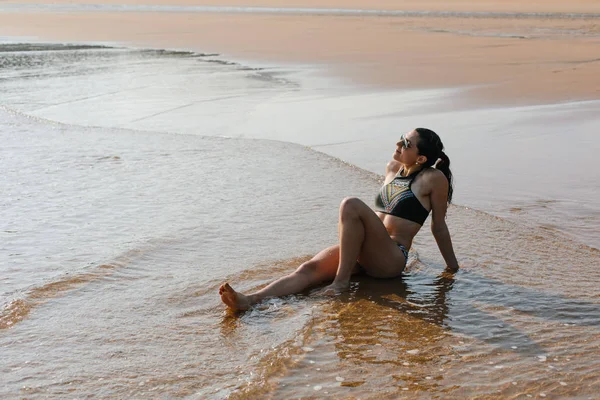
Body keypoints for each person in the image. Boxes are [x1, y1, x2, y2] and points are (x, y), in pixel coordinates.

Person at [220, 128, 459, 311]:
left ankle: (341, 281)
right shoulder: (392, 168)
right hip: (363, 251)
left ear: (420, 159)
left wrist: (453, 269)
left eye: (406, 144)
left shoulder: (433, 178)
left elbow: (438, 226)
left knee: (350, 204)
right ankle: (249, 300)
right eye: (401, 138)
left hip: (391, 258)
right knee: (309, 269)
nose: (398, 144)